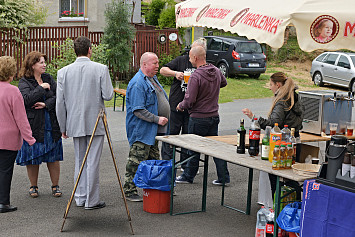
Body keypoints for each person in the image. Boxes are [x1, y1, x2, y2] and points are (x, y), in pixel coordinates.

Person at [56, 36, 114, 210]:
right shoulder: (100, 69)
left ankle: (80, 197)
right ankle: (91, 200)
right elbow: (109, 95)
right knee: (93, 161)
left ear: (75, 50)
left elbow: (60, 103)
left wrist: (63, 126)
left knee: (79, 160)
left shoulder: (63, 72)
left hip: (74, 122)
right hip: (95, 121)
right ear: (90, 50)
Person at [242, 72, 304, 200]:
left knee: (276, 176)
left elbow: (274, 123)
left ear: (278, 84)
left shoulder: (282, 101)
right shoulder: (295, 97)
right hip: (295, 141)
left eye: (271, 84)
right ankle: (295, 206)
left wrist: (254, 118)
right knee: (290, 176)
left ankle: (278, 208)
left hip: (282, 144)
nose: (270, 87)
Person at [175, 46, 230, 185]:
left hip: (198, 117)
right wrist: (211, 89)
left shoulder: (196, 76)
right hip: (213, 116)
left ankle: (188, 176)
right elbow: (224, 82)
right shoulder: (216, 70)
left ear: (195, 57)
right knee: (216, 147)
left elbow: (190, 100)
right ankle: (224, 177)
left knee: (193, 148)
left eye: (189, 57)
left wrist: (180, 105)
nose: (189, 59)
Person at [17, 51, 63, 198]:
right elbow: (25, 100)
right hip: (34, 125)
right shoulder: (24, 82)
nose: (45, 65)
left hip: (51, 123)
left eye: (44, 62)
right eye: (41, 62)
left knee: (53, 156)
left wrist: (45, 104)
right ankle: (33, 186)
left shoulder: (48, 77)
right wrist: (41, 88)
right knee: (33, 157)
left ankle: (55, 186)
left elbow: (59, 97)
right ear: (32, 65)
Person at [124, 52, 169, 202]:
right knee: (136, 161)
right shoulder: (138, 83)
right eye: (154, 63)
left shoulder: (151, 79)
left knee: (154, 162)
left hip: (152, 132)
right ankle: (129, 190)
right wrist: (157, 119)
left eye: (157, 63)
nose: (158, 66)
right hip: (142, 131)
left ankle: (156, 187)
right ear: (144, 65)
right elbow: (138, 110)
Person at [160, 38, 206, 172]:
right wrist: (175, 73)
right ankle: (167, 164)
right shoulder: (181, 60)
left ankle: (186, 166)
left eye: (194, 50)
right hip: (176, 104)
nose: (191, 53)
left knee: (188, 137)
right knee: (171, 136)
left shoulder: (203, 65)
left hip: (192, 108)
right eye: (191, 49)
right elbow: (163, 70)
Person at [0, 56, 36, 213]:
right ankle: (3, 203)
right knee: (5, 170)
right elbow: (21, 118)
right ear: (11, 72)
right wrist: (30, 138)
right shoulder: (13, 91)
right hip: (8, 139)